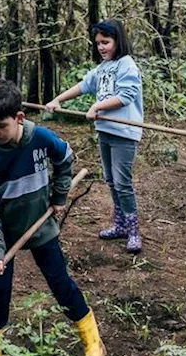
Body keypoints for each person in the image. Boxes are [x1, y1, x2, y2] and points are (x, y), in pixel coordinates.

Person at [0, 79, 105, 356]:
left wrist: (59, 197)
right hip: (6, 235)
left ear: (19, 118)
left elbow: (65, 158)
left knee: (60, 284)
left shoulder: (40, 138)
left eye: (0, 126)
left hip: (40, 225)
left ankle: (93, 342)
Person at [45, 19, 145, 254]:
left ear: (118, 41)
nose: (101, 47)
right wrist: (58, 99)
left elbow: (127, 95)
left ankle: (133, 231)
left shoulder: (126, 65)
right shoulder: (103, 68)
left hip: (124, 132)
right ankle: (120, 225)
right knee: (111, 180)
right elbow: (84, 85)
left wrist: (99, 107)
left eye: (106, 42)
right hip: (105, 131)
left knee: (122, 182)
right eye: (98, 43)